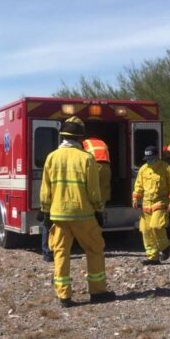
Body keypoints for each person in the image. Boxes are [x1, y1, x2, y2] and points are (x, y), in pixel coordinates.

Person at [38, 116, 115, 307]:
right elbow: (94, 191)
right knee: (94, 250)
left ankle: (64, 296)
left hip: (58, 215)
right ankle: (97, 292)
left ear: (62, 136)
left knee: (61, 253)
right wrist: (98, 211)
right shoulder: (87, 159)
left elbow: (45, 190)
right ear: (81, 138)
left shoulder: (51, 157)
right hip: (84, 215)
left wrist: (45, 212)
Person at [132, 145, 170, 265]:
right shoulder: (143, 169)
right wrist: (135, 198)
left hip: (160, 201)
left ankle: (165, 247)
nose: (149, 161)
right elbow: (138, 186)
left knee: (156, 226)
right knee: (146, 230)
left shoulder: (166, 168)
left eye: (151, 158)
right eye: (147, 159)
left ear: (157, 157)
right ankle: (153, 257)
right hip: (146, 203)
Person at [82, 137, 112, 204]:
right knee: (104, 189)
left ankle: (93, 209)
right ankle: (101, 209)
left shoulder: (85, 142)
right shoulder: (103, 142)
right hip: (106, 166)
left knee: (91, 188)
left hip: (94, 165)